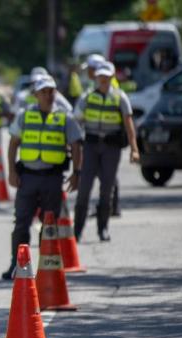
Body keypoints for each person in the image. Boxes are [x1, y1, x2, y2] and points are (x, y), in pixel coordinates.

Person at [2, 76, 84, 280]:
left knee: (49, 225)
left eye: (51, 91)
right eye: (44, 92)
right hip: (27, 177)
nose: (48, 95)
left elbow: (76, 146)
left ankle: (45, 268)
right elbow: (13, 143)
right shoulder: (24, 115)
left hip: (52, 178)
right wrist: (11, 171)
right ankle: (16, 264)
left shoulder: (65, 117)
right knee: (21, 223)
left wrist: (77, 173)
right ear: (36, 95)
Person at [71, 61, 140, 242]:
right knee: (84, 189)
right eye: (100, 76)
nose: (102, 79)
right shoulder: (88, 96)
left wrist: (134, 149)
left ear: (111, 77)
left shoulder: (119, 97)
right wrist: (72, 143)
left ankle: (103, 229)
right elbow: (75, 121)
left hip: (111, 147)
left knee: (106, 189)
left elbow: (129, 124)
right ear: (97, 77)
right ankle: (77, 231)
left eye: (106, 76)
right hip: (91, 146)